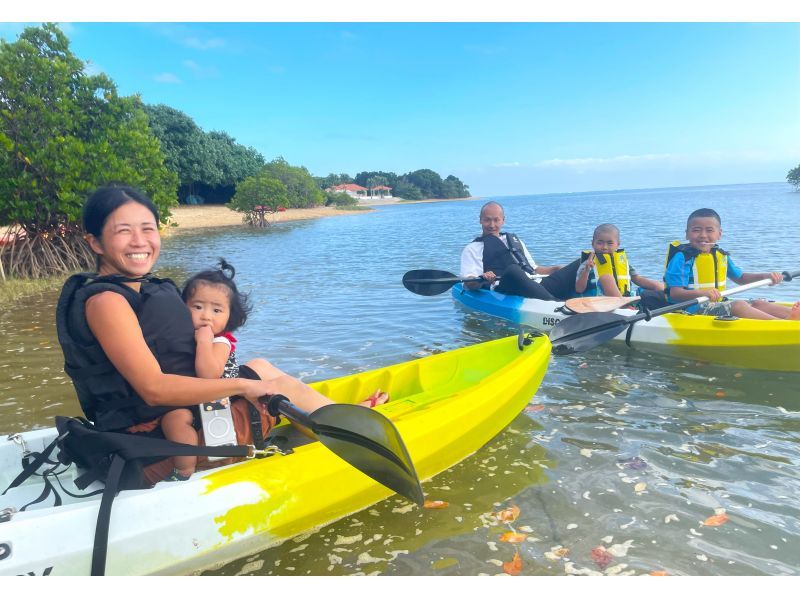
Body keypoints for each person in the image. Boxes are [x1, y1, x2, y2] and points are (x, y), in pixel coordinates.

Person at [56, 184, 388, 483]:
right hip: (159, 443)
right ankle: (350, 432)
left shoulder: (133, 290)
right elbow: (154, 390)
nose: (140, 241)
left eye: (148, 229)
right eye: (123, 231)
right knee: (277, 385)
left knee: (261, 366)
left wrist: (250, 380)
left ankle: (332, 421)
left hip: (175, 419)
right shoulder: (106, 302)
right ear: (95, 242)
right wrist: (246, 386)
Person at [664, 208, 800, 320]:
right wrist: (703, 293)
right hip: (690, 309)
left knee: (758, 303)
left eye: (709, 230)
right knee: (738, 305)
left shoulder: (720, 256)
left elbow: (741, 278)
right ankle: (784, 325)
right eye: (696, 230)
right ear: (687, 234)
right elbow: (675, 294)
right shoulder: (682, 258)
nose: (703, 235)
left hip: (716, 303)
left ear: (719, 234)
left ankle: (793, 316)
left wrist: (766, 276)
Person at [460, 201, 580, 301]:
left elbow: (534, 269)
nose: (492, 225)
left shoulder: (514, 240)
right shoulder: (472, 249)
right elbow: (469, 283)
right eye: (487, 220)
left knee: (583, 262)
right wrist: (482, 278)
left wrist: (555, 269)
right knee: (513, 270)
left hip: (538, 285)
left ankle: (585, 300)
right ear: (480, 220)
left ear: (503, 220)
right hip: (507, 289)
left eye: (496, 220)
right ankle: (555, 304)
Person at [575, 223, 664, 298]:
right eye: (600, 242)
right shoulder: (587, 264)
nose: (604, 247)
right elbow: (579, 289)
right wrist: (587, 270)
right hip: (600, 301)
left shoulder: (622, 262)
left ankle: (670, 301)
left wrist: (657, 286)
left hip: (627, 297)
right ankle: (626, 306)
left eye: (610, 243)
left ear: (618, 244)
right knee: (606, 277)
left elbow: (637, 279)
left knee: (658, 285)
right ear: (592, 243)